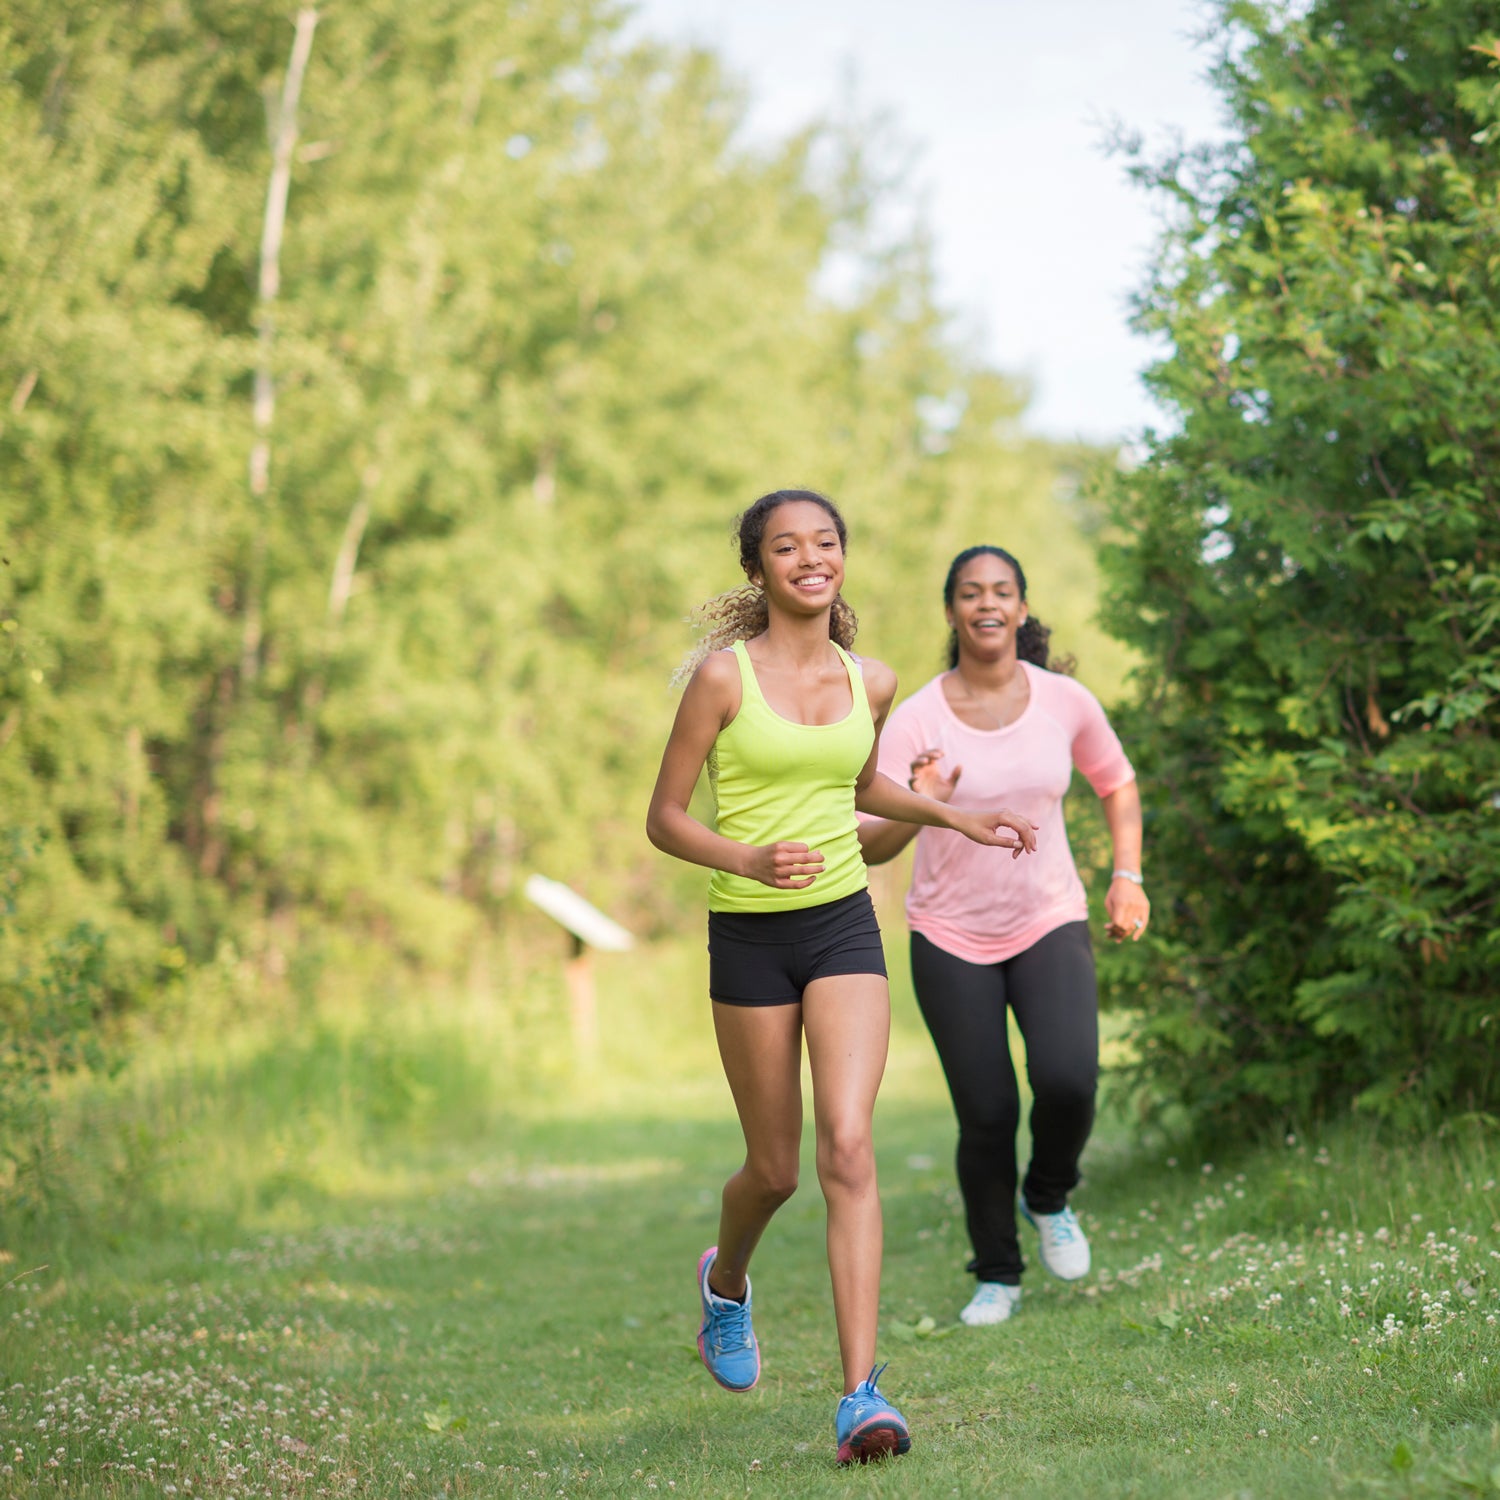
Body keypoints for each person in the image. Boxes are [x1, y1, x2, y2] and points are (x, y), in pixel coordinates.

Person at [645, 494, 1038, 1463]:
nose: (810, 559)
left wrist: (957, 817)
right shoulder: (720, 681)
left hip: (840, 932)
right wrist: (744, 860)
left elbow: (860, 788)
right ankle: (725, 1282)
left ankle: (860, 1395)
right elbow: (665, 817)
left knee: (849, 1147)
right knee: (774, 1170)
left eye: (825, 544)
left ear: (843, 561)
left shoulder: (872, 681)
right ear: (759, 570)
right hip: (748, 938)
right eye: (788, 547)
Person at [858, 544, 1149, 1328]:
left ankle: (1047, 1195)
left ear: (1022, 609)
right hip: (950, 932)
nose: (987, 604)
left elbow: (1116, 782)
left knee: (1068, 1080)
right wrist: (921, 800)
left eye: (1002, 592)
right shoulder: (916, 716)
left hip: (1048, 916)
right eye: (970, 593)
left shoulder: (1065, 701)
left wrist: (1129, 876)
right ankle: (996, 1274)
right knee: (985, 1112)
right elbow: (868, 842)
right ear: (951, 611)